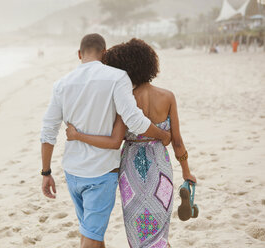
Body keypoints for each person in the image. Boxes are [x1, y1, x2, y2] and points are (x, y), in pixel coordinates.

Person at [40, 34, 171, 248]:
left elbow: (48, 130)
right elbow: (134, 119)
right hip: (100, 174)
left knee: (92, 234)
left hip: (72, 172)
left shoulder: (61, 84)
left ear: (79, 54)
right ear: (104, 53)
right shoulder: (118, 78)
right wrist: (162, 134)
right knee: (91, 238)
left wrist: (45, 172)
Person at [66, 38, 197, 248]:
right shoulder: (167, 96)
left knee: (138, 230)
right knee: (159, 231)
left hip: (131, 171)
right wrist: (187, 172)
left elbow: (114, 140)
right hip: (160, 167)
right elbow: (178, 142)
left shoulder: (124, 99)